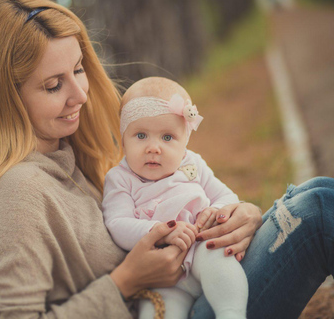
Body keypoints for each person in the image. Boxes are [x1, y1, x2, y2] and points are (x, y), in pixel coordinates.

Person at [0, 0, 334, 318]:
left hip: (193, 286)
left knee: (314, 193)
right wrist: (124, 282)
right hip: (166, 308)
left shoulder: (75, 159)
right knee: (317, 211)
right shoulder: (18, 194)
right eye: (53, 85)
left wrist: (242, 217)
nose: (80, 93)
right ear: (7, 96)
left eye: (78, 69)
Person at [102, 77, 248, 319]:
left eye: (167, 137)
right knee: (156, 311)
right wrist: (160, 230)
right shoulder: (120, 178)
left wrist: (217, 210)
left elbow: (226, 195)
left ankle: (231, 314)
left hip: (201, 248)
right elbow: (117, 224)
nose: (153, 147)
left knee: (222, 268)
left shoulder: (193, 164)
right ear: (123, 139)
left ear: (185, 142)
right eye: (140, 136)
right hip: (161, 274)